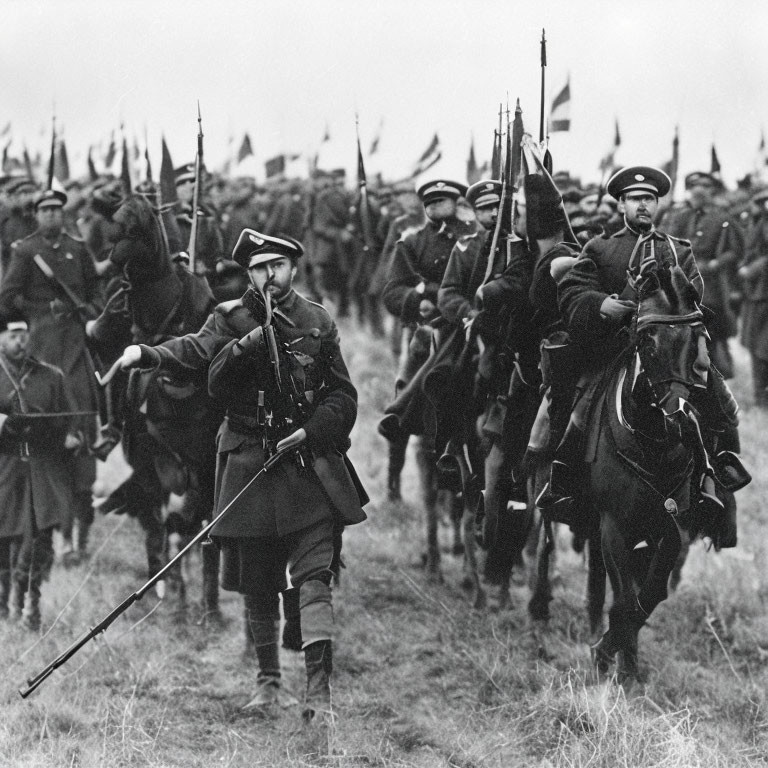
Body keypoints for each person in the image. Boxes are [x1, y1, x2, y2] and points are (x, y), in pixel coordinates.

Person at [110, 229, 366, 724]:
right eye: (258, 269)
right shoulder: (230, 319)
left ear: (294, 267)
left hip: (306, 465)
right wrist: (146, 354)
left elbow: (343, 396)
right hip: (248, 459)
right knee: (258, 580)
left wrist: (312, 431)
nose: (268, 277)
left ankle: (319, 694)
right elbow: (193, 350)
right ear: (248, 273)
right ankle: (268, 683)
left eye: (277, 266)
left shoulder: (317, 320)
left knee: (315, 576)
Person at [543, 166, 748, 545]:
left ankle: (719, 485)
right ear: (620, 203)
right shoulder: (600, 249)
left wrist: (675, 310)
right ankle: (565, 486)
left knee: (723, 407)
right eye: (635, 199)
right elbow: (572, 292)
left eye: (649, 199)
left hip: (668, 353)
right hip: (612, 351)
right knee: (578, 412)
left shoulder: (677, 249)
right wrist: (603, 304)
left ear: (657, 205)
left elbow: (694, 300)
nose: (643, 205)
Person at [0, 188, 100, 564]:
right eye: (45, 210)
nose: (52, 216)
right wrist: (41, 310)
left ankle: (80, 536)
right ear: (36, 215)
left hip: (75, 348)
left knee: (85, 427)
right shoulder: (25, 251)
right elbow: (8, 297)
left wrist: (86, 309)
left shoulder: (77, 247)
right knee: (42, 443)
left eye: (57, 209)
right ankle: (46, 532)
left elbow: (95, 291)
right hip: (40, 349)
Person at [0, 310, 80, 630]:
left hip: (42, 467)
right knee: (4, 538)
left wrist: (66, 435)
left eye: (23, 334)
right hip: (4, 468)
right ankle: (5, 605)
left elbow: (70, 423)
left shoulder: (50, 376)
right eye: (12, 335)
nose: (20, 341)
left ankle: (30, 604)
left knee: (38, 538)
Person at [661, 171, 744, 377]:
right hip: (682, 279)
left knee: (710, 330)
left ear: (710, 193)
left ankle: (715, 372)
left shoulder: (723, 219)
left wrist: (717, 263)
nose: (697, 196)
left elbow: (735, 250)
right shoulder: (681, 217)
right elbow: (668, 243)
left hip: (711, 284)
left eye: (704, 190)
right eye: (694, 192)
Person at [738, 188, 768, 407]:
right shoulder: (756, 224)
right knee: (756, 346)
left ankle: (761, 397)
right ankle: (760, 397)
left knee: (762, 347)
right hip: (756, 294)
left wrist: (753, 268)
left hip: (762, 292)